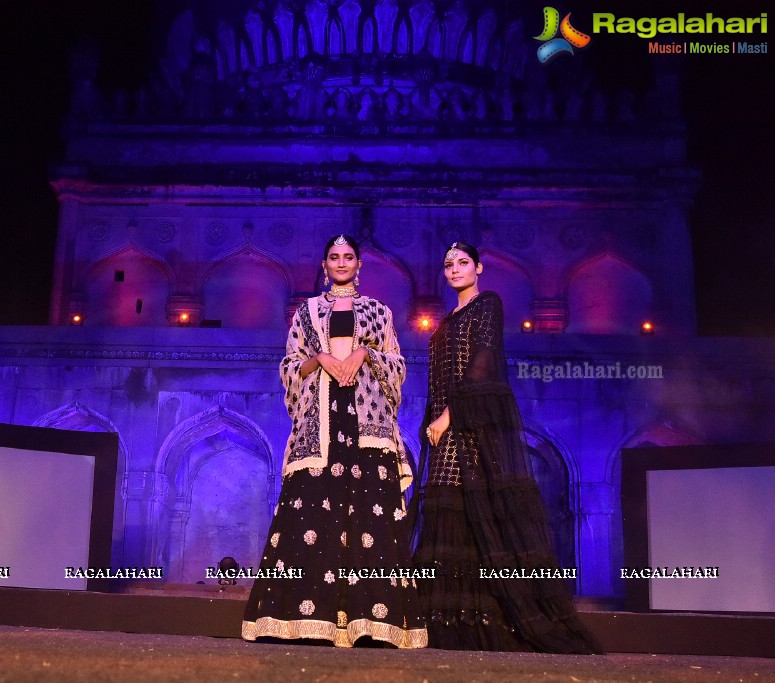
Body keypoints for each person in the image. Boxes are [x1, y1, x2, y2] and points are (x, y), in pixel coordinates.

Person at [412, 241, 601, 653]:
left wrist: (449, 415)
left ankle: (487, 617)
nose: (455, 269)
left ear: (478, 267)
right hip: (445, 430)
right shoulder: (446, 320)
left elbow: (483, 361)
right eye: (448, 264)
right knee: (451, 513)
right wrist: (434, 419)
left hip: (472, 426)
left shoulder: (488, 305)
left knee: (478, 514)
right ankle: (448, 618)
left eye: (463, 262)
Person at [243, 234, 427, 649]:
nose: (341, 262)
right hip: (320, 423)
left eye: (348, 257)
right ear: (324, 265)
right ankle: (300, 621)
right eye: (333, 257)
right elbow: (290, 365)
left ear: (359, 264)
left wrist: (364, 355)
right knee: (311, 514)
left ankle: (372, 623)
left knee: (370, 517)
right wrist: (322, 359)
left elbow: (397, 365)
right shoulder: (307, 312)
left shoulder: (379, 312)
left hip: (367, 424)